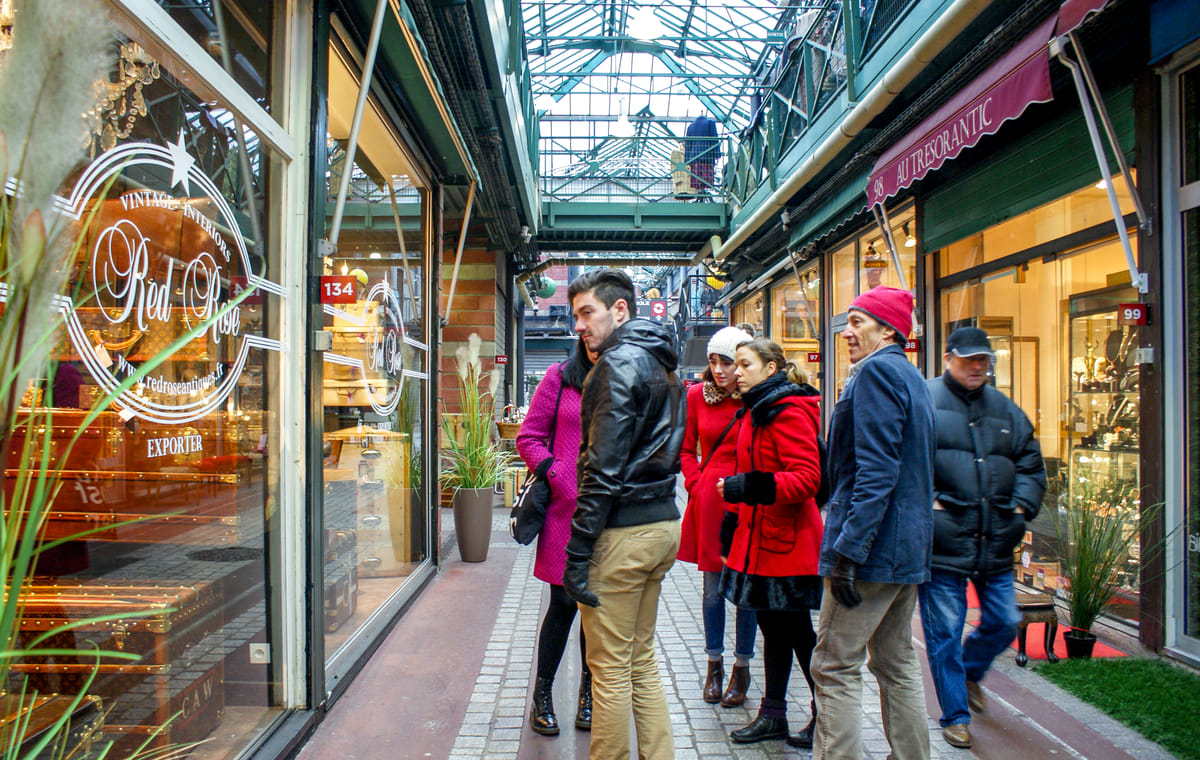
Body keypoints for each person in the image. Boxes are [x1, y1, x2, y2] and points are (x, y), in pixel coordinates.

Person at [562, 268, 686, 760]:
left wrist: (577, 551)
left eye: (586, 312)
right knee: (640, 661)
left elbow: (602, 470)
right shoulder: (664, 363)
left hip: (622, 531)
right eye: (575, 315)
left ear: (620, 310)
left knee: (609, 670)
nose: (578, 326)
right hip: (661, 525)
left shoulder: (615, 366)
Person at [812, 285, 935, 760]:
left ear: (888, 330)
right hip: (904, 549)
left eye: (858, 322)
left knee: (833, 664)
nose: (847, 332)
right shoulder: (910, 377)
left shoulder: (877, 375)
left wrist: (848, 552)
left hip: (872, 549)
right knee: (896, 661)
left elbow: (876, 471)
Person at [919, 327, 1046, 749]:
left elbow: (1031, 464)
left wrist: (1020, 509)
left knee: (1005, 620)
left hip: (995, 538)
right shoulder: (925, 400)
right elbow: (903, 464)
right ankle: (955, 714)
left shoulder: (1006, 410)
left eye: (983, 360)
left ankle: (972, 672)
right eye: (969, 358)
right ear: (948, 357)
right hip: (943, 542)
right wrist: (929, 504)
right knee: (944, 632)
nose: (977, 367)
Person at [716, 339, 824, 748]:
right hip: (759, 540)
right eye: (735, 365)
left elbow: (807, 479)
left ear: (772, 368)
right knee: (772, 628)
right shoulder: (755, 410)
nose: (736, 372)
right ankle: (773, 715)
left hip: (788, 544)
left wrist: (748, 487)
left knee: (796, 631)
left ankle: (824, 715)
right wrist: (733, 519)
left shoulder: (787, 411)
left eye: (745, 364)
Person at [515, 337, 596, 736]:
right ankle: (542, 695)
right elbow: (528, 436)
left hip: (608, 516)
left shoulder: (624, 379)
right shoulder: (560, 377)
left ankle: (590, 694)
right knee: (563, 603)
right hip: (564, 512)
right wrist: (556, 472)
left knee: (595, 609)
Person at [678, 325, 757, 708]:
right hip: (711, 500)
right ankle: (714, 665)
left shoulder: (755, 398)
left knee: (744, 590)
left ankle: (742, 667)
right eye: (713, 360)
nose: (719, 369)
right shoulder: (697, 396)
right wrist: (696, 482)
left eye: (726, 361)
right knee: (712, 590)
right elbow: (685, 449)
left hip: (748, 498)